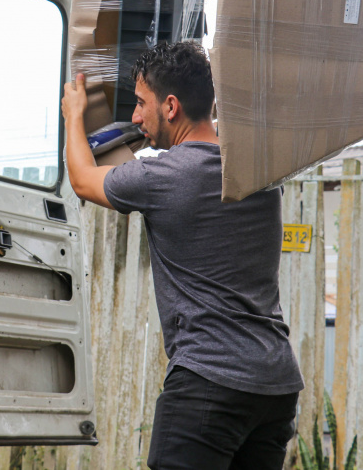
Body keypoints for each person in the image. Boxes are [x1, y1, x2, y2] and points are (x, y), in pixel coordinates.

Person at [61, 42, 303, 470]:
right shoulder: (259, 173)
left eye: (141, 103)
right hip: (276, 384)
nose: (135, 117)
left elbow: (81, 179)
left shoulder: (162, 177)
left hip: (210, 380)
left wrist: (73, 115)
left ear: (171, 106)